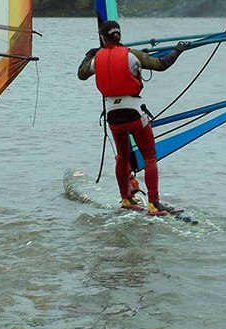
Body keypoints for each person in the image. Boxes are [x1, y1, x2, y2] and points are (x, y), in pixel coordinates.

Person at [77, 20, 190, 216]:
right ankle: (154, 203)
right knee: (149, 156)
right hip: (134, 113)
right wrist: (177, 50)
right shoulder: (131, 55)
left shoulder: (97, 60)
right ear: (119, 35)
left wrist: (90, 53)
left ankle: (125, 199)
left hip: (113, 117)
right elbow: (161, 64)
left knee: (122, 157)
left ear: (103, 39)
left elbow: (81, 73)